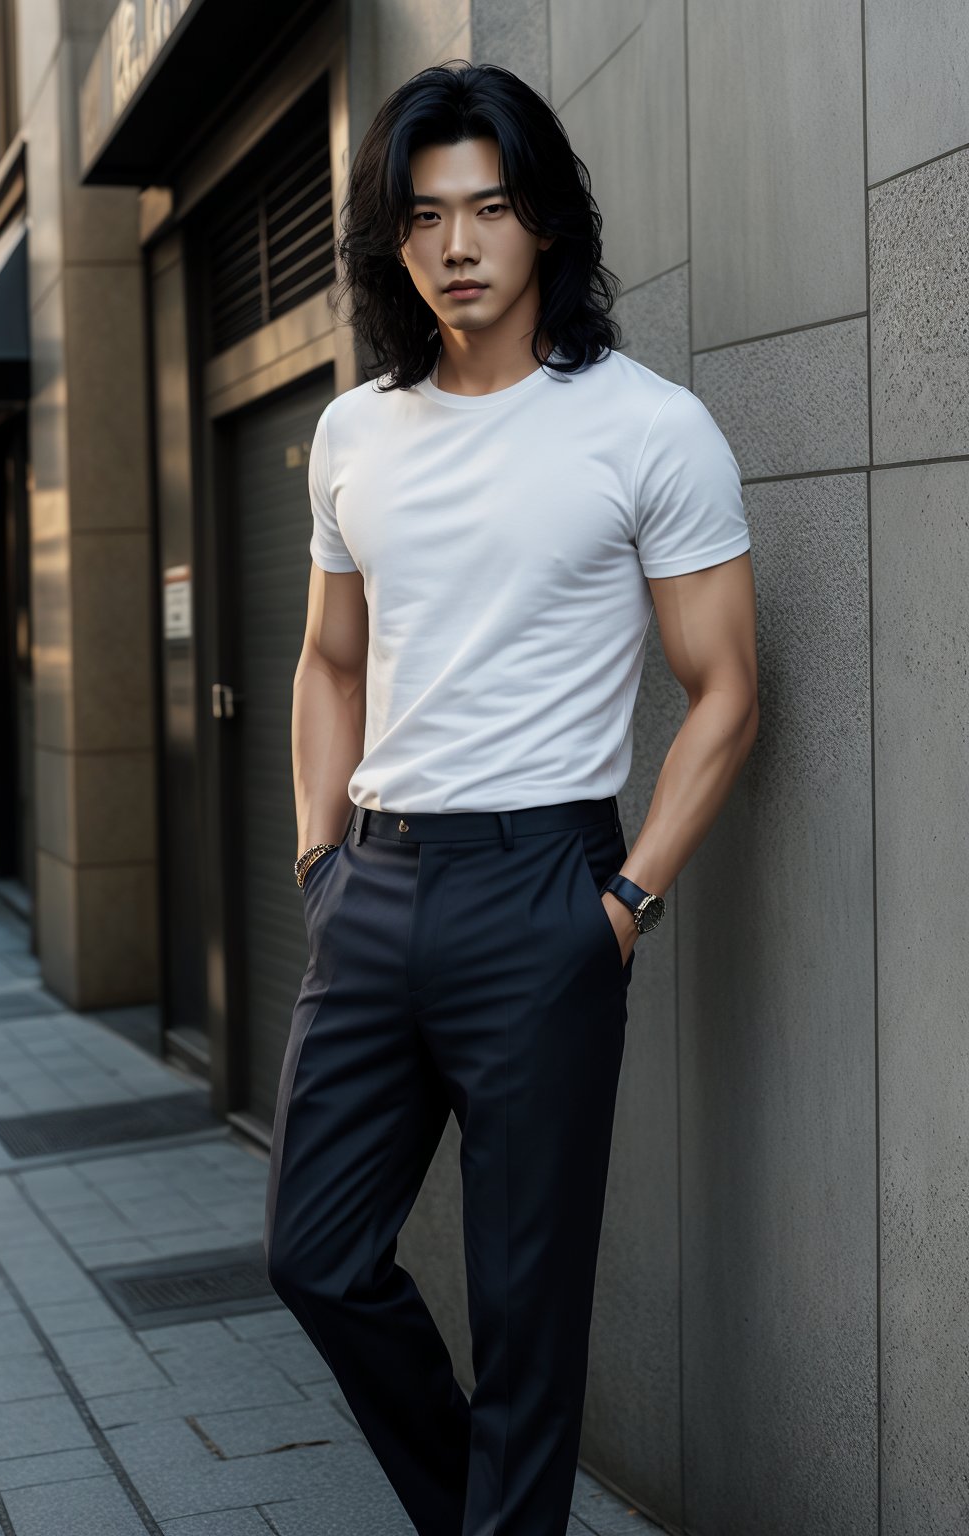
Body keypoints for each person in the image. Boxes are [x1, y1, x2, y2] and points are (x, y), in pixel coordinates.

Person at [263, 59, 758, 1536]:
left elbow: (725, 687)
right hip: (374, 891)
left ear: (545, 220)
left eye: (488, 209)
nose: (458, 246)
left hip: (547, 895)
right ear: (390, 241)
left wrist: (622, 904)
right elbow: (326, 660)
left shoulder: (644, 426)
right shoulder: (355, 434)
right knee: (313, 1253)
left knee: (526, 1313)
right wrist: (314, 859)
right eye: (424, 218)